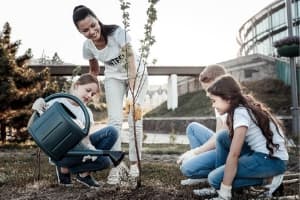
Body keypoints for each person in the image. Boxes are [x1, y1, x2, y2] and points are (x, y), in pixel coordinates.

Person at [72, 5, 148, 185]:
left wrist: (133, 94)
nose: (91, 31)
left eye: (93, 25)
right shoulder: (87, 46)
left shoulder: (118, 33)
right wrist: (88, 89)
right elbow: (94, 69)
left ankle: (135, 164)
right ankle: (116, 165)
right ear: (80, 31)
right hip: (113, 77)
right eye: (85, 30)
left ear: (97, 19)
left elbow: (130, 61)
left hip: (136, 74)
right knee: (114, 122)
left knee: (134, 119)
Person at [206, 75, 289, 200]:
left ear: (228, 98)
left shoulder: (241, 113)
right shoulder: (239, 109)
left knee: (214, 179)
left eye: (214, 101)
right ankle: (222, 185)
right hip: (267, 157)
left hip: (272, 160)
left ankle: (268, 180)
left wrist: (225, 190)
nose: (213, 105)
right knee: (223, 137)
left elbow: (234, 154)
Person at [32, 73, 119, 188]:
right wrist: (38, 105)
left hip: (78, 150)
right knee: (102, 160)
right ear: (77, 85)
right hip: (60, 152)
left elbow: (85, 138)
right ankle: (64, 169)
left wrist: (91, 150)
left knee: (111, 134)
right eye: (87, 90)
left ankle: (83, 174)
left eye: (92, 94)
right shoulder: (57, 102)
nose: (89, 95)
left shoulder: (86, 112)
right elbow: (37, 123)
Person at [177, 64, 228, 187]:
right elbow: (218, 134)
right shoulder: (217, 99)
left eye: (209, 89)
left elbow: (222, 138)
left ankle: (214, 174)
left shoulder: (228, 100)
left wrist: (195, 153)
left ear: (219, 81)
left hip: (229, 149)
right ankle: (207, 173)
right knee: (193, 128)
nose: (207, 94)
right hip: (221, 144)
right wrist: (198, 153)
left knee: (187, 169)